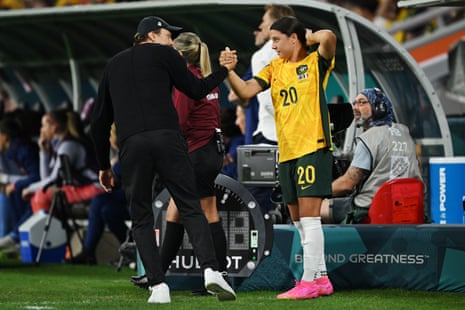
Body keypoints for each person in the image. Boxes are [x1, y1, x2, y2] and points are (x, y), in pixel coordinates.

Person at [89, 16, 236, 304]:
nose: (173, 42)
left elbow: (99, 123)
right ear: (152, 35)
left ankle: (158, 286)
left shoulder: (113, 64)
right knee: (191, 207)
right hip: (169, 139)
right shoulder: (166, 54)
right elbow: (195, 90)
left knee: (141, 216)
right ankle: (211, 271)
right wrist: (223, 71)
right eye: (169, 35)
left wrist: (104, 165)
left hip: (132, 145)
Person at [220, 15, 336, 300]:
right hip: (286, 152)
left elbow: (329, 37)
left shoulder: (315, 63)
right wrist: (230, 72)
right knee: (298, 221)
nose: (272, 46)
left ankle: (308, 283)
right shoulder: (275, 68)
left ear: (293, 39)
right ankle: (321, 278)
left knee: (310, 220)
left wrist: (307, 36)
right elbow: (246, 92)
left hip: (313, 147)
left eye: (276, 39)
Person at [159, 32, 229, 292]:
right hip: (211, 152)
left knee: (200, 212)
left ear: (178, 55)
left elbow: (179, 123)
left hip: (196, 153)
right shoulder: (206, 80)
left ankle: (216, 275)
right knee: (176, 211)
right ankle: (157, 274)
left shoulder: (186, 83)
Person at [320, 88, 423, 224]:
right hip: (406, 206)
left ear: (379, 107)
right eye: (355, 103)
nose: (355, 108)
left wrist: (319, 192)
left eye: (362, 103)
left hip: (372, 206)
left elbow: (347, 184)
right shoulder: (405, 133)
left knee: (313, 208)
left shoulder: (369, 138)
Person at [230, 4, 295, 214]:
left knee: (255, 202)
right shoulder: (302, 54)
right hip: (297, 139)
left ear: (275, 25)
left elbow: (267, 99)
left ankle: (258, 246)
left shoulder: (263, 56)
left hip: (269, 137)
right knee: (294, 200)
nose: (261, 24)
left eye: (265, 21)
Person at [22, 109, 103, 213]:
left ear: (54, 127)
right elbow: (46, 179)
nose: (41, 130)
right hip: (83, 186)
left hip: (96, 186)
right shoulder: (58, 145)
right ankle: (52, 228)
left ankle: (51, 229)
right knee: (38, 195)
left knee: (41, 195)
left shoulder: (68, 145)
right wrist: (44, 152)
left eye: (44, 126)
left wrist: (30, 188)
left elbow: (54, 179)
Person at [72, 124, 130, 265]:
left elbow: (118, 182)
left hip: (136, 200)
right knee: (107, 211)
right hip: (126, 200)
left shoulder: (128, 154)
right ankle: (130, 249)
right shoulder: (121, 155)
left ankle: (88, 251)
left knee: (100, 199)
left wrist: (112, 168)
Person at [0, 117, 40, 253]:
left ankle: (15, 235)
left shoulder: (24, 149)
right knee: (12, 192)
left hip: (44, 188)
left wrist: (15, 185)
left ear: (5, 137)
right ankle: (17, 237)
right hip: (35, 187)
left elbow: (37, 176)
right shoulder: (15, 150)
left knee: (17, 192)